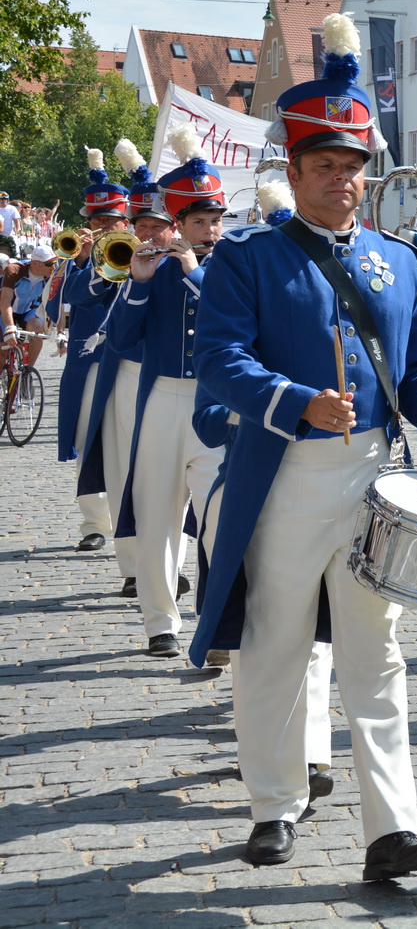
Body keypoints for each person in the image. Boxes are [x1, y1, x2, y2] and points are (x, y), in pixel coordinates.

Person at [190, 13, 417, 878]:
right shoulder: (248, 257)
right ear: (296, 168)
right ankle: (275, 802)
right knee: (278, 643)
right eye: (325, 167)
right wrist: (291, 400)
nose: (342, 183)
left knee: (376, 652)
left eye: (353, 169)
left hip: (371, 477)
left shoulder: (399, 262)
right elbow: (218, 359)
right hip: (284, 473)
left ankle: (391, 828)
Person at [107, 124, 228, 660]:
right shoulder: (152, 271)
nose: (209, 229)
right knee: (157, 513)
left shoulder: (234, 266)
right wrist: (136, 281)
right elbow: (120, 339)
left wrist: (197, 271)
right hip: (160, 398)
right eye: (199, 221)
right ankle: (160, 621)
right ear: (177, 223)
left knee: (221, 515)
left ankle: (223, 617)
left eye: (215, 220)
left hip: (215, 403)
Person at [65, 147, 152, 569]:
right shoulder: (79, 259)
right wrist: (90, 263)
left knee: (131, 450)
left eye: (110, 221)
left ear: (126, 221)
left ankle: (134, 533)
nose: (101, 227)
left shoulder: (142, 251)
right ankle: (95, 524)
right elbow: (62, 304)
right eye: (95, 220)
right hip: (89, 365)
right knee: (88, 441)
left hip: (131, 364)